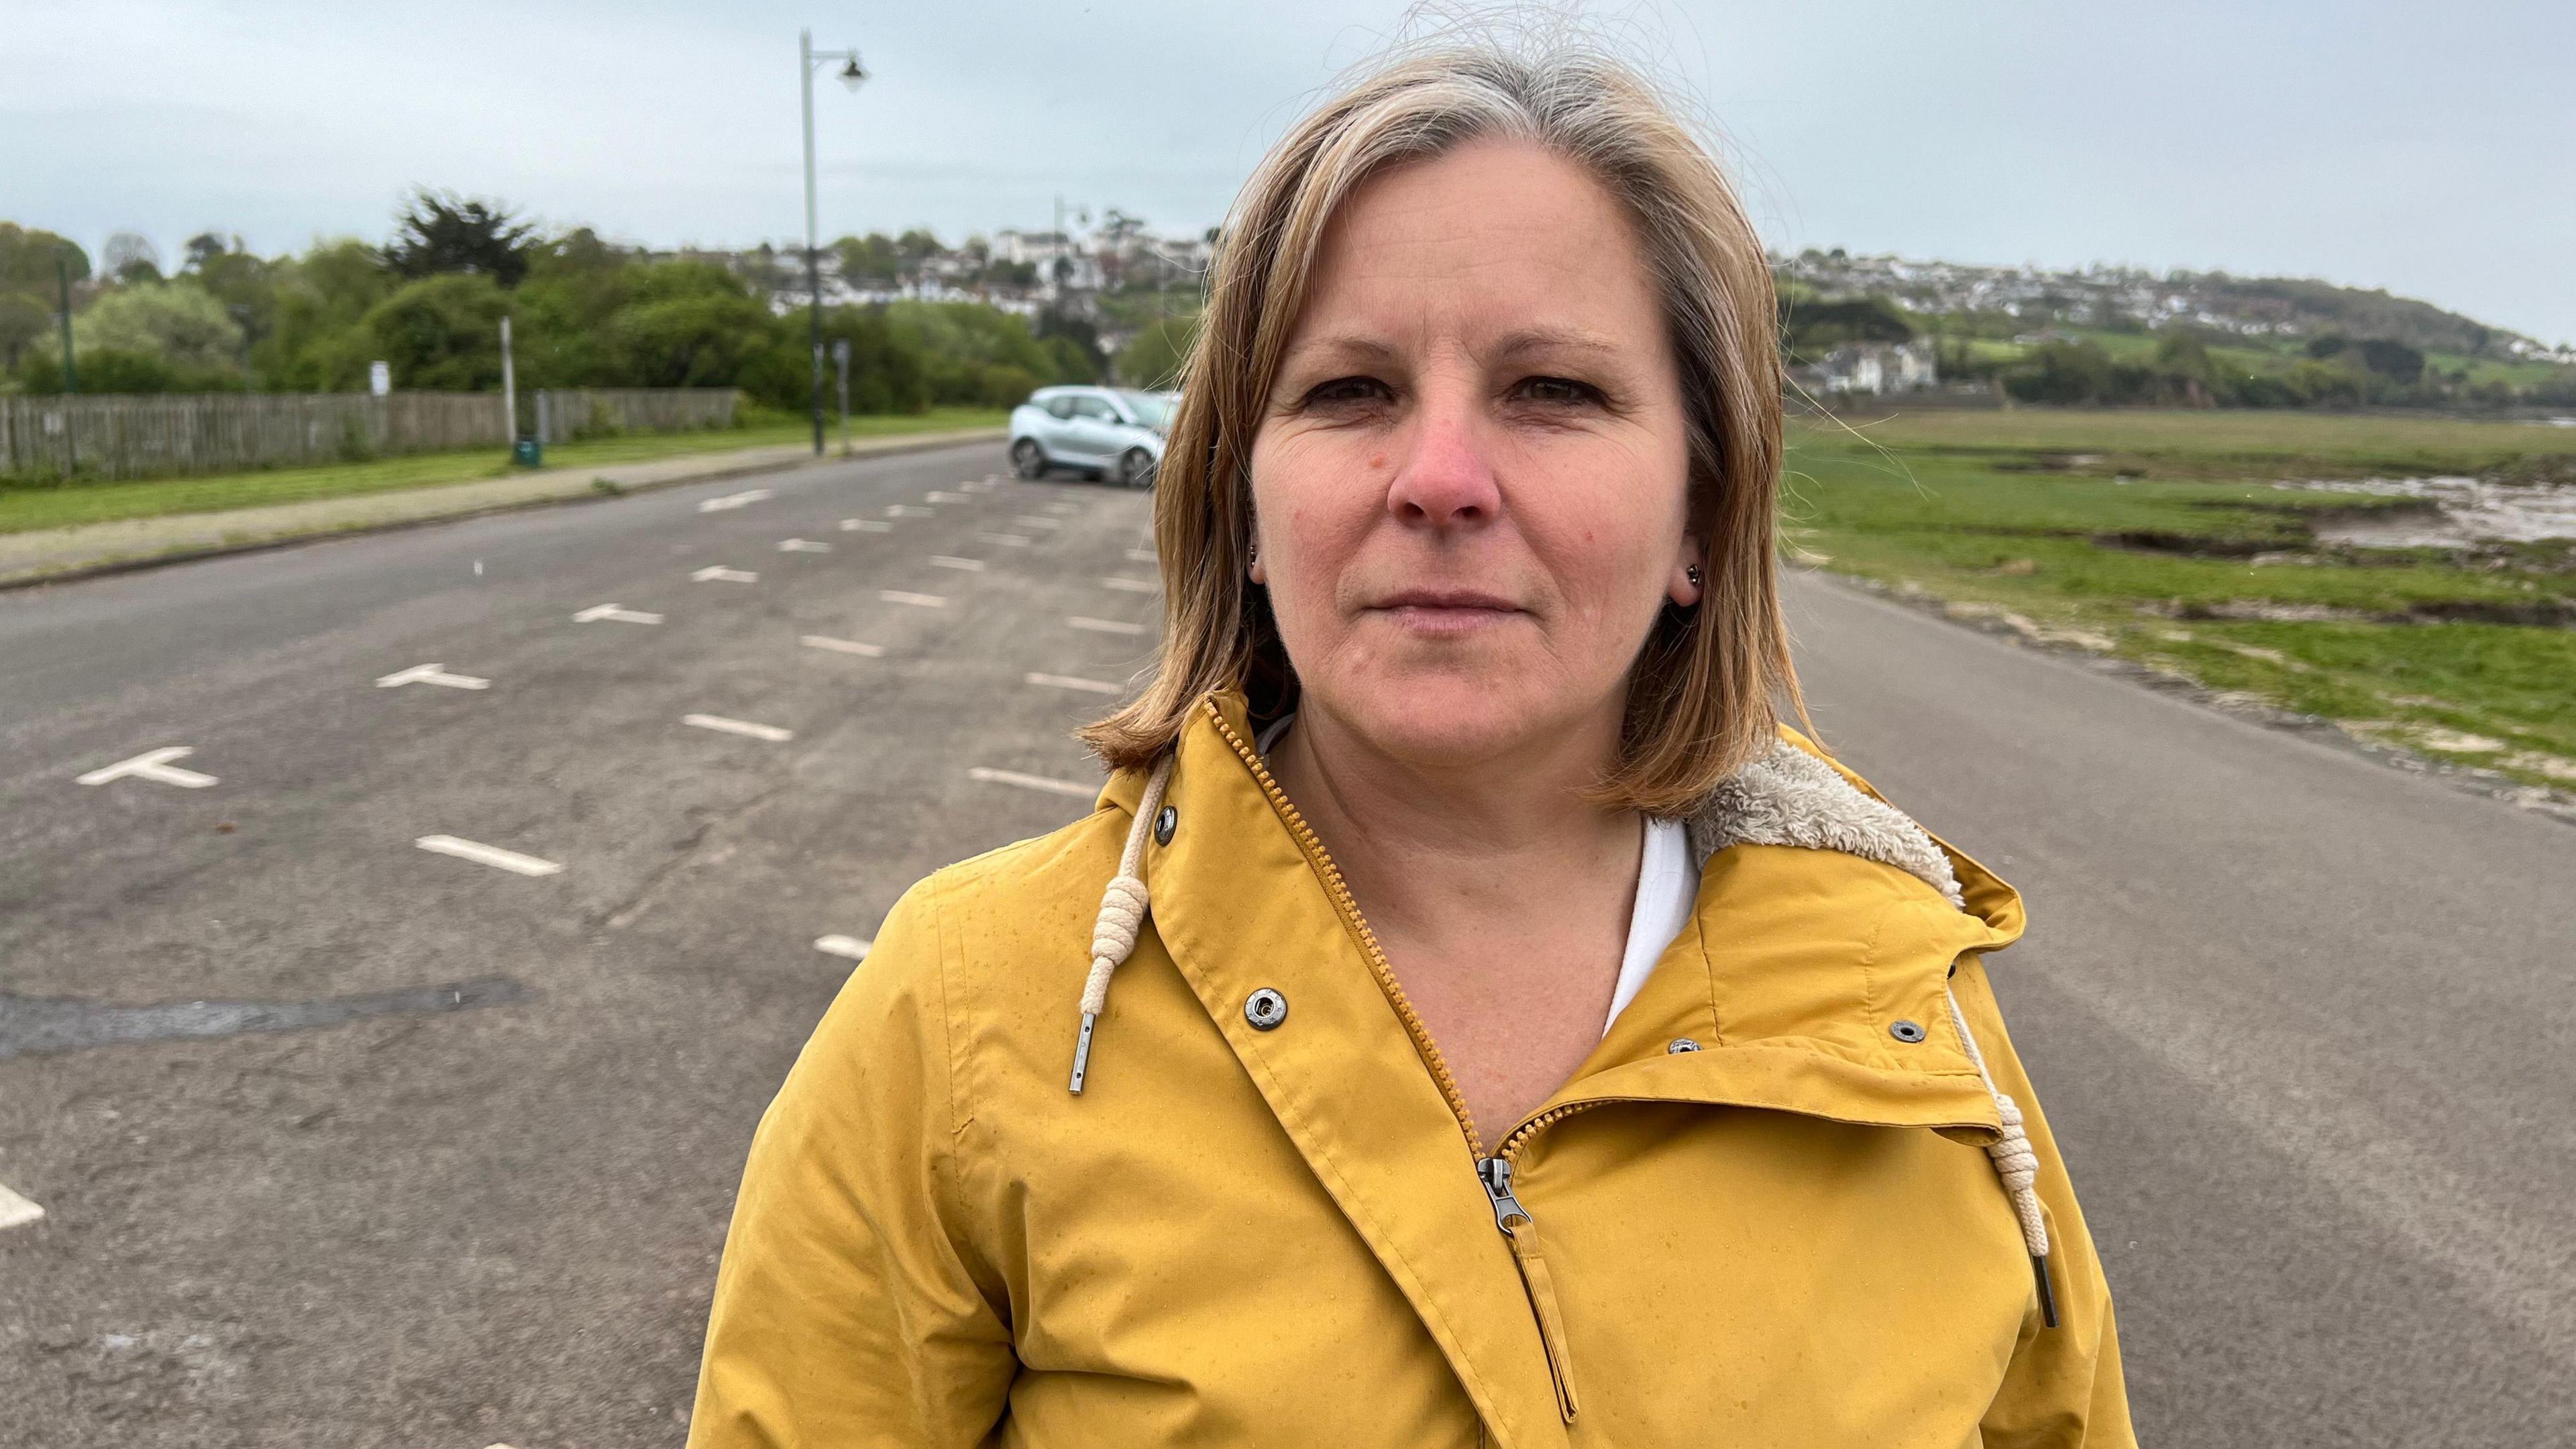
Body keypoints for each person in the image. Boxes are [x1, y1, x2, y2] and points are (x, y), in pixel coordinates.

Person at [686, 40, 2133, 1448]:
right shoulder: (964, 1015)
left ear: (1702, 513)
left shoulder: (1909, 1004)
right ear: (1246, 506)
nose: (1441, 479)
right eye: (1349, 392)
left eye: (1553, 391)